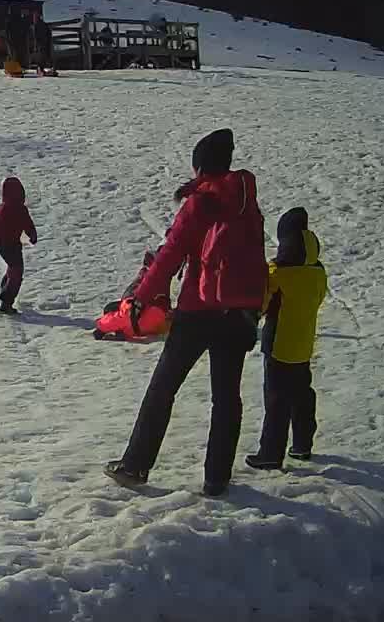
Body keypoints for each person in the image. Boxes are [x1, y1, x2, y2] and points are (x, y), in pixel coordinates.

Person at [105, 129, 267, 497]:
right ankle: (216, 478)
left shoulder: (201, 202)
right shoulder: (247, 204)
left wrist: (141, 297)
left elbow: (171, 254)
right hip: (238, 311)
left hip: (198, 310)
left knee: (163, 387)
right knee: (226, 396)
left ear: (200, 167)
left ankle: (135, 465)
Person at [247, 207, 327, 471]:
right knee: (302, 395)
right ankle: (303, 444)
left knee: (276, 399)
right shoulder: (318, 272)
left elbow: (262, 303)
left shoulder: (278, 273)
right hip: (304, 343)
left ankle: (270, 452)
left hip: (278, 342)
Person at [0, 177, 39, 314]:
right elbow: (27, 224)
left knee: (13, 269)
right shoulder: (15, 209)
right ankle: (6, 302)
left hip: (5, 245)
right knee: (16, 272)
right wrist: (32, 235)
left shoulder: (3, 208)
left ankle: (6, 289)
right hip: (9, 245)